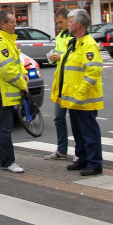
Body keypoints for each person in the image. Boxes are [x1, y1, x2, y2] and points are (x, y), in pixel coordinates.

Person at [52, 9, 104, 176]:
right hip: (74, 99)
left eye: (71, 20)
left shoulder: (88, 44)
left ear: (79, 24)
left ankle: (95, 163)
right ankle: (82, 158)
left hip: (85, 99)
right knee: (79, 132)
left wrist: (80, 93)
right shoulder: (74, 43)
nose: (68, 23)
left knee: (89, 132)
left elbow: (93, 71)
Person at [0, 9, 29, 174]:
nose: (15, 25)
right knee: (6, 128)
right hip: (2, 91)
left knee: (3, 126)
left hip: (5, 90)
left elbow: (16, 62)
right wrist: (22, 84)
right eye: (12, 22)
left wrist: (23, 73)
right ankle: (8, 161)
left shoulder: (6, 39)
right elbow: (7, 71)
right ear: (3, 24)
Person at [45, 8, 73, 160]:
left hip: (72, 83)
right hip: (61, 82)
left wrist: (60, 57)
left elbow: (74, 58)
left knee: (76, 119)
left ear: (69, 20)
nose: (59, 26)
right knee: (58, 118)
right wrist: (52, 57)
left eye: (61, 22)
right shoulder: (60, 36)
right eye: (57, 23)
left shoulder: (74, 36)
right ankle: (62, 150)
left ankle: (81, 152)